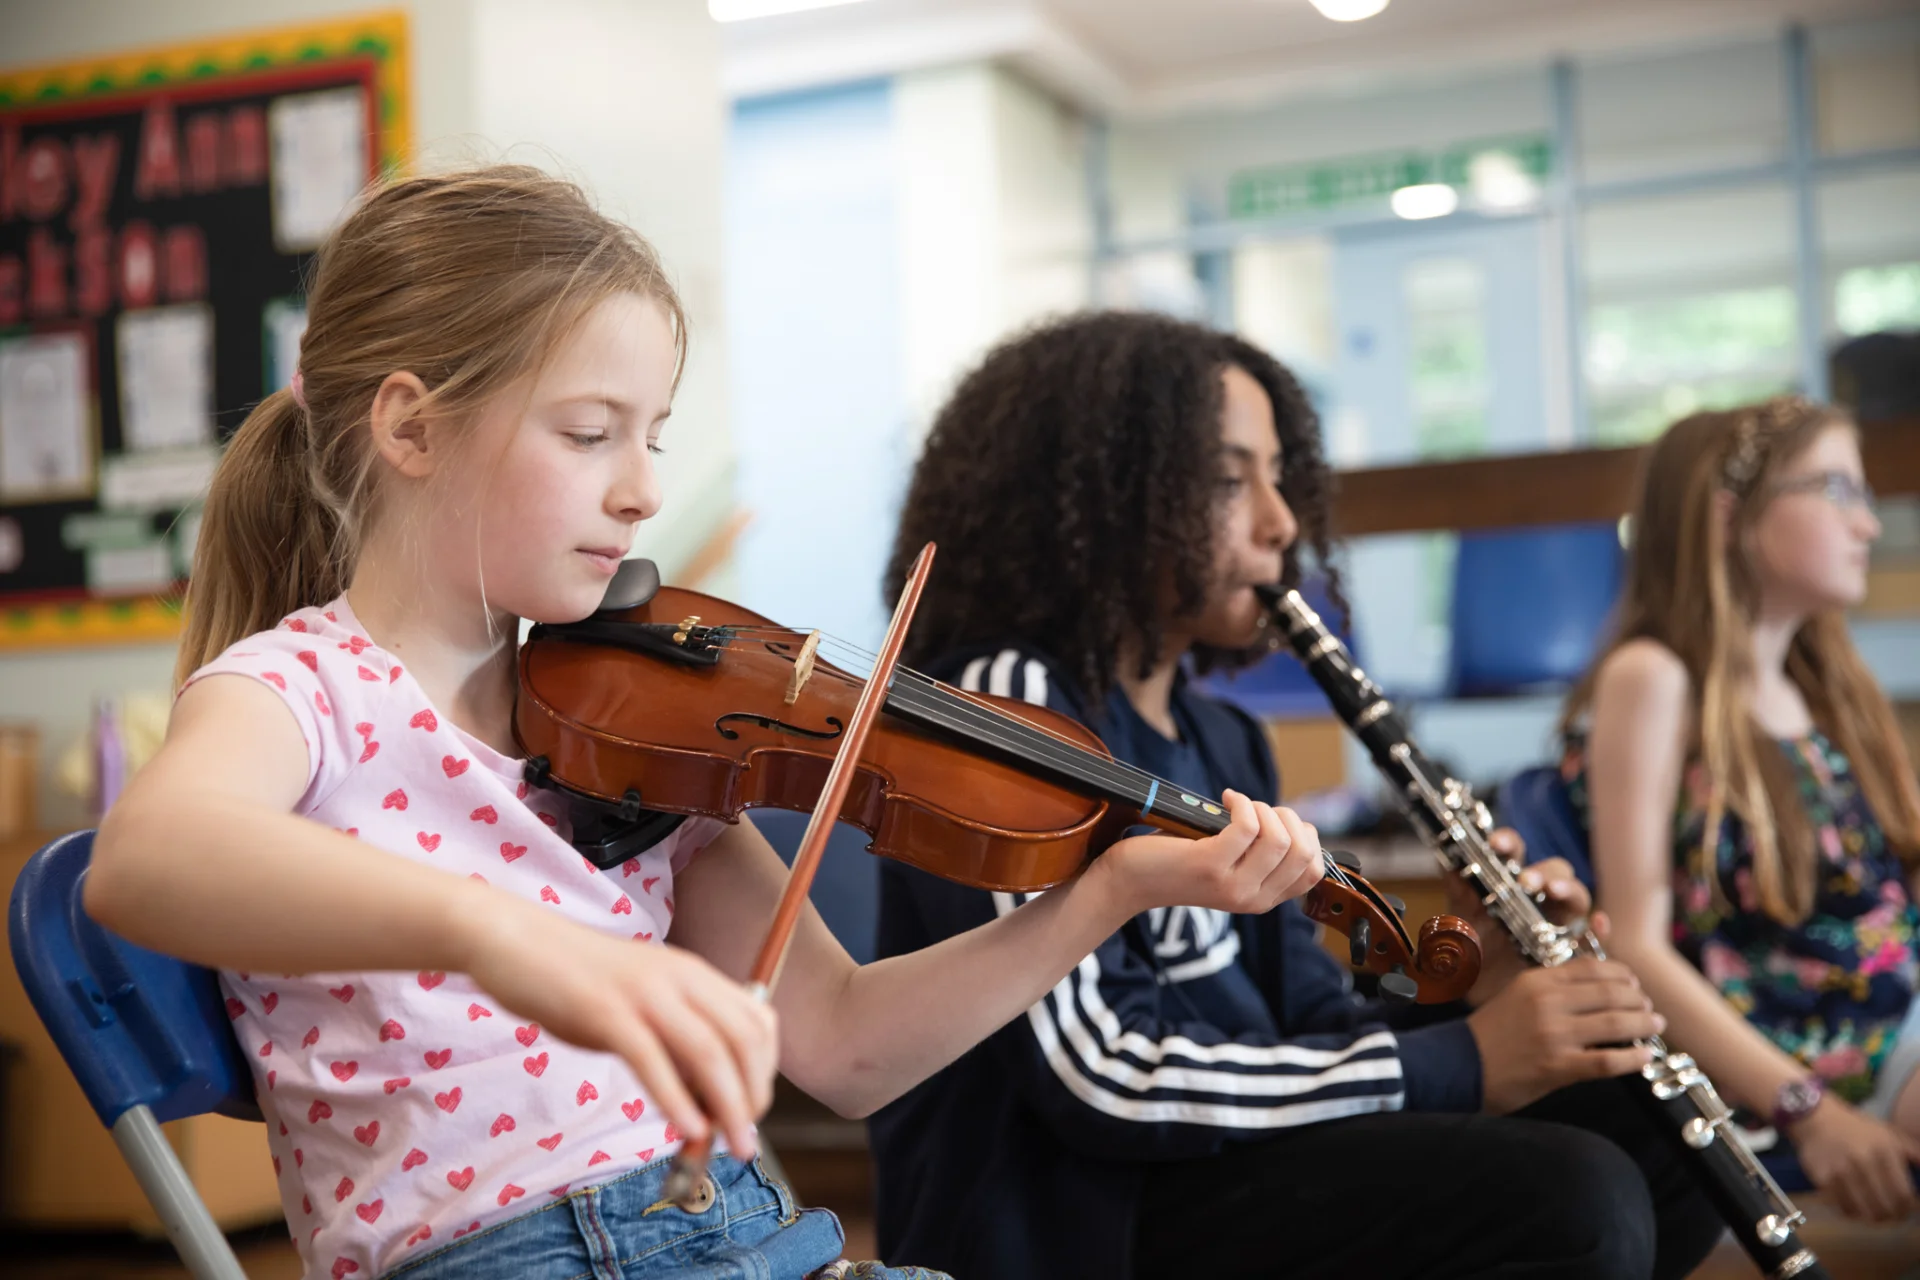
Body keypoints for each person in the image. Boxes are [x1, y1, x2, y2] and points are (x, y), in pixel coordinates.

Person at [82, 169, 1328, 1280]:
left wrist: (1104, 894)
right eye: (589, 433)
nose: (644, 488)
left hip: (746, 1232)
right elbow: (144, 858)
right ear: (410, 426)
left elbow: (845, 1046)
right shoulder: (305, 690)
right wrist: (498, 936)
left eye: (654, 436)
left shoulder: (638, 735)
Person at [869, 311, 1725, 1280]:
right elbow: (1102, 1077)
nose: (1282, 522)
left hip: (1226, 1165)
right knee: (1573, 1196)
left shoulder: (1225, 736)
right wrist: (1463, 1061)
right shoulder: (1006, 706)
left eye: (1279, 476)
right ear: (1104, 494)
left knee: (1659, 1128)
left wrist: (1467, 983)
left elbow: (1312, 1019)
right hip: (1076, 1217)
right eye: (1231, 480)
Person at [1563, 396, 1920, 1224]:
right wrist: (1807, 1110)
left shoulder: (1821, 684)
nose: (1866, 524)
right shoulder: (1653, 678)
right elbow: (1639, 949)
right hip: (1830, 1054)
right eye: (1836, 489)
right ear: (1728, 516)